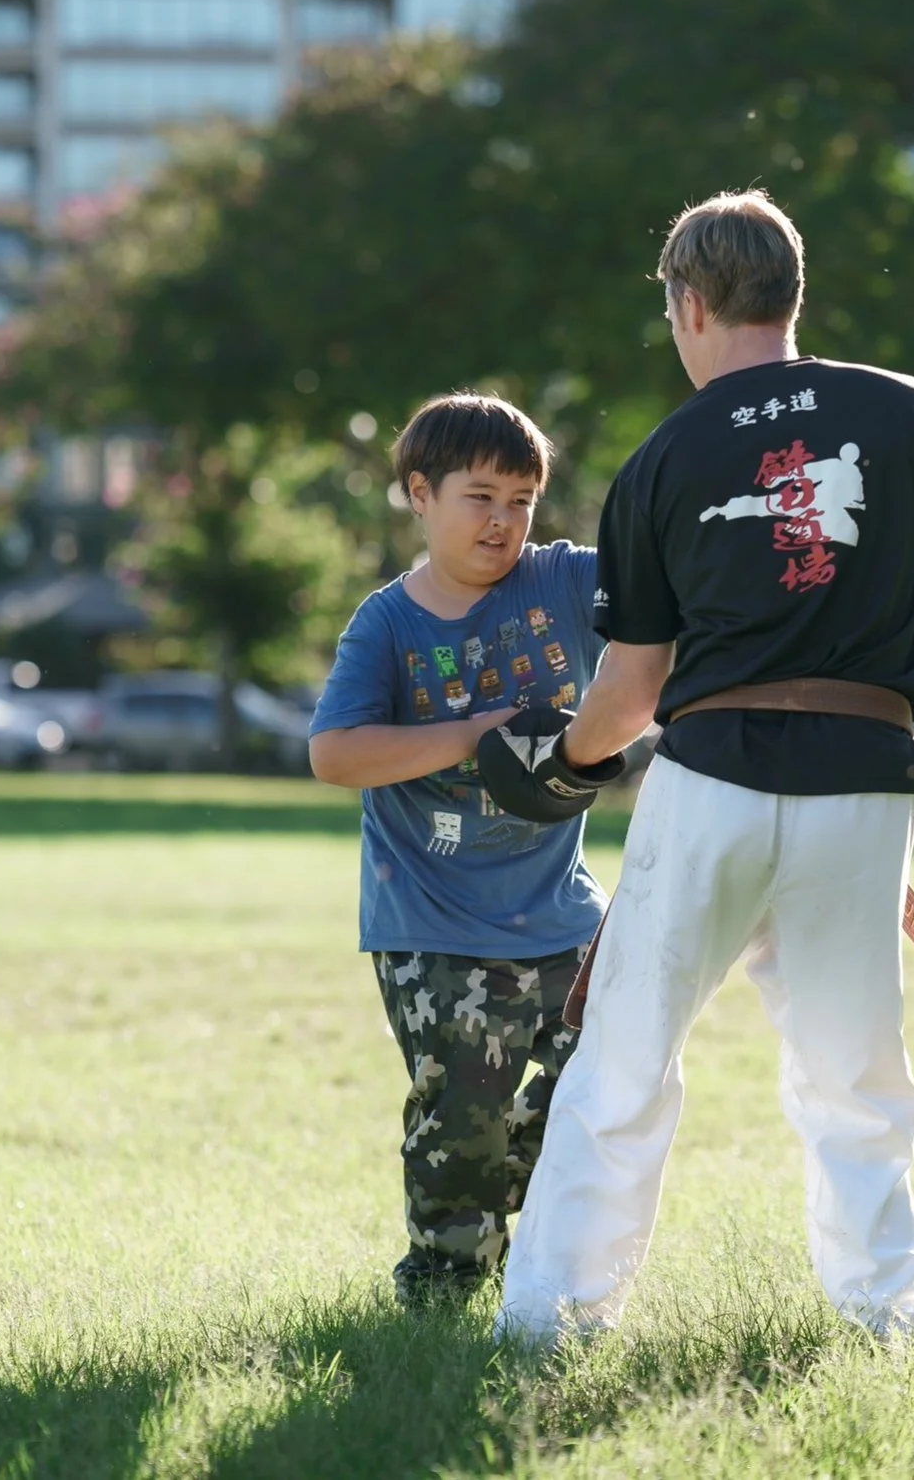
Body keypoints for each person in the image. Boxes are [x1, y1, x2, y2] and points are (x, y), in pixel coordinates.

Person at [489, 189, 914, 1346]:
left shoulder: (663, 453)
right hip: (864, 779)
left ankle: (550, 1320)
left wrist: (562, 763)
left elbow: (629, 687)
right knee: (853, 1060)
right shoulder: (904, 408)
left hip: (711, 777)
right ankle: (885, 1306)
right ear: (792, 292)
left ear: (690, 301)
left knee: (625, 1053)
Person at [308, 392, 608, 1306]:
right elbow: (335, 753)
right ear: (419, 493)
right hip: (435, 929)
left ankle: (513, 1216)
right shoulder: (388, 625)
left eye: (521, 499)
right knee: (461, 1124)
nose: (504, 521)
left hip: (565, 918)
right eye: (480, 496)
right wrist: (480, 731)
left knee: (611, 1088)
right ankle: (441, 1288)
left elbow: (678, 576)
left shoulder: (561, 582)